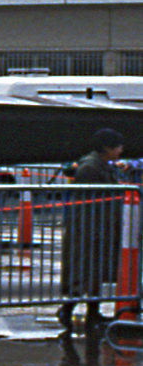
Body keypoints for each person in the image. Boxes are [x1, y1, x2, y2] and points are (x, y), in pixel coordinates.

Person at [59, 128, 126, 337]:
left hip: (100, 227)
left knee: (95, 272)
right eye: (117, 146)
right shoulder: (90, 168)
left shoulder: (102, 165)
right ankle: (66, 310)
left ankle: (93, 313)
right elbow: (90, 201)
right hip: (88, 228)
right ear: (107, 147)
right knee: (83, 272)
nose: (121, 150)